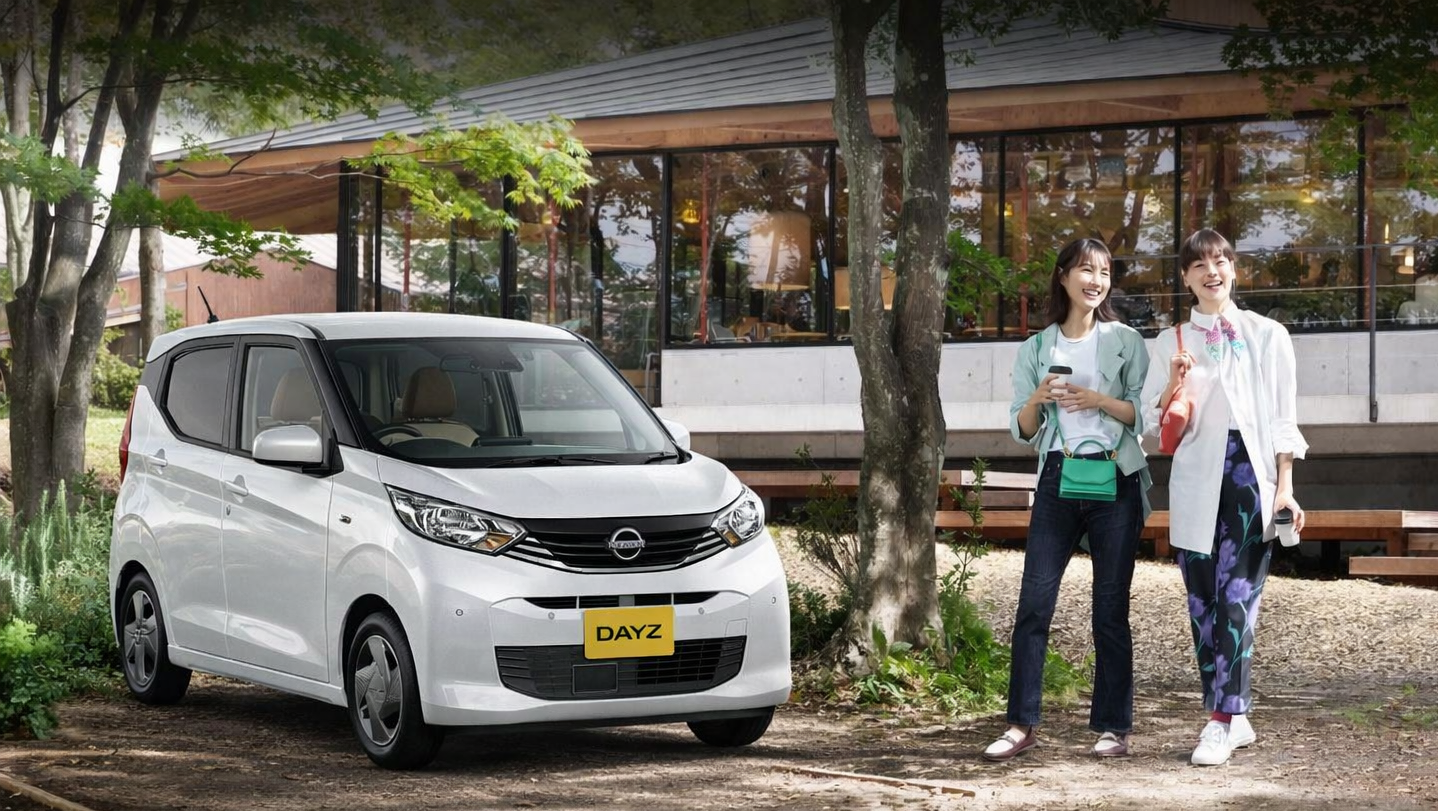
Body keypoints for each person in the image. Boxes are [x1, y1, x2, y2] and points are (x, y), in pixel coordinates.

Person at [1140, 228, 1308, 767]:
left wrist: (1285, 488)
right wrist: (1173, 381)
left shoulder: (1268, 334)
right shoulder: (1170, 341)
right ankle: (1233, 717)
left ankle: (1221, 719)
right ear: (1186, 278)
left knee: (1237, 598)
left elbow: (1283, 418)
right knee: (1203, 604)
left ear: (1234, 268)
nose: (1211, 271)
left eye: (1220, 261)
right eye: (1199, 265)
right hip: (1194, 481)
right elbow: (1150, 421)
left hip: (1251, 478)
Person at [983, 238, 1152, 762]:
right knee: (1034, 604)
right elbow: (1022, 428)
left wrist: (1098, 400)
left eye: (1104, 272)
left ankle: (1113, 727)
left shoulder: (1126, 340)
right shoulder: (1036, 348)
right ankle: (1021, 724)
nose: (1096, 281)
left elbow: (1140, 416)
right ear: (1063, 276)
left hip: (1115, 478)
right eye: (1085, 270)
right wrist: (1037, 398)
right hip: (1057, 477)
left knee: (1110, 609)